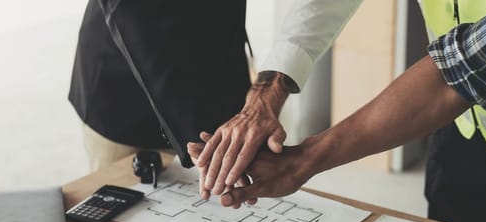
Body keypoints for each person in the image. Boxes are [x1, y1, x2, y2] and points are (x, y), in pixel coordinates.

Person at [189, 7, 486, 222]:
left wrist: (304, 160)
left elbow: (463, 72)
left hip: (460, 90)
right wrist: (264, 96)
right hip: (464, 133)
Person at [68, 0, 362, 171]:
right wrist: (203, 140)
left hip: (218, 55)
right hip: (127, 82)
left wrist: (264, 94)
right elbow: (135, 15)